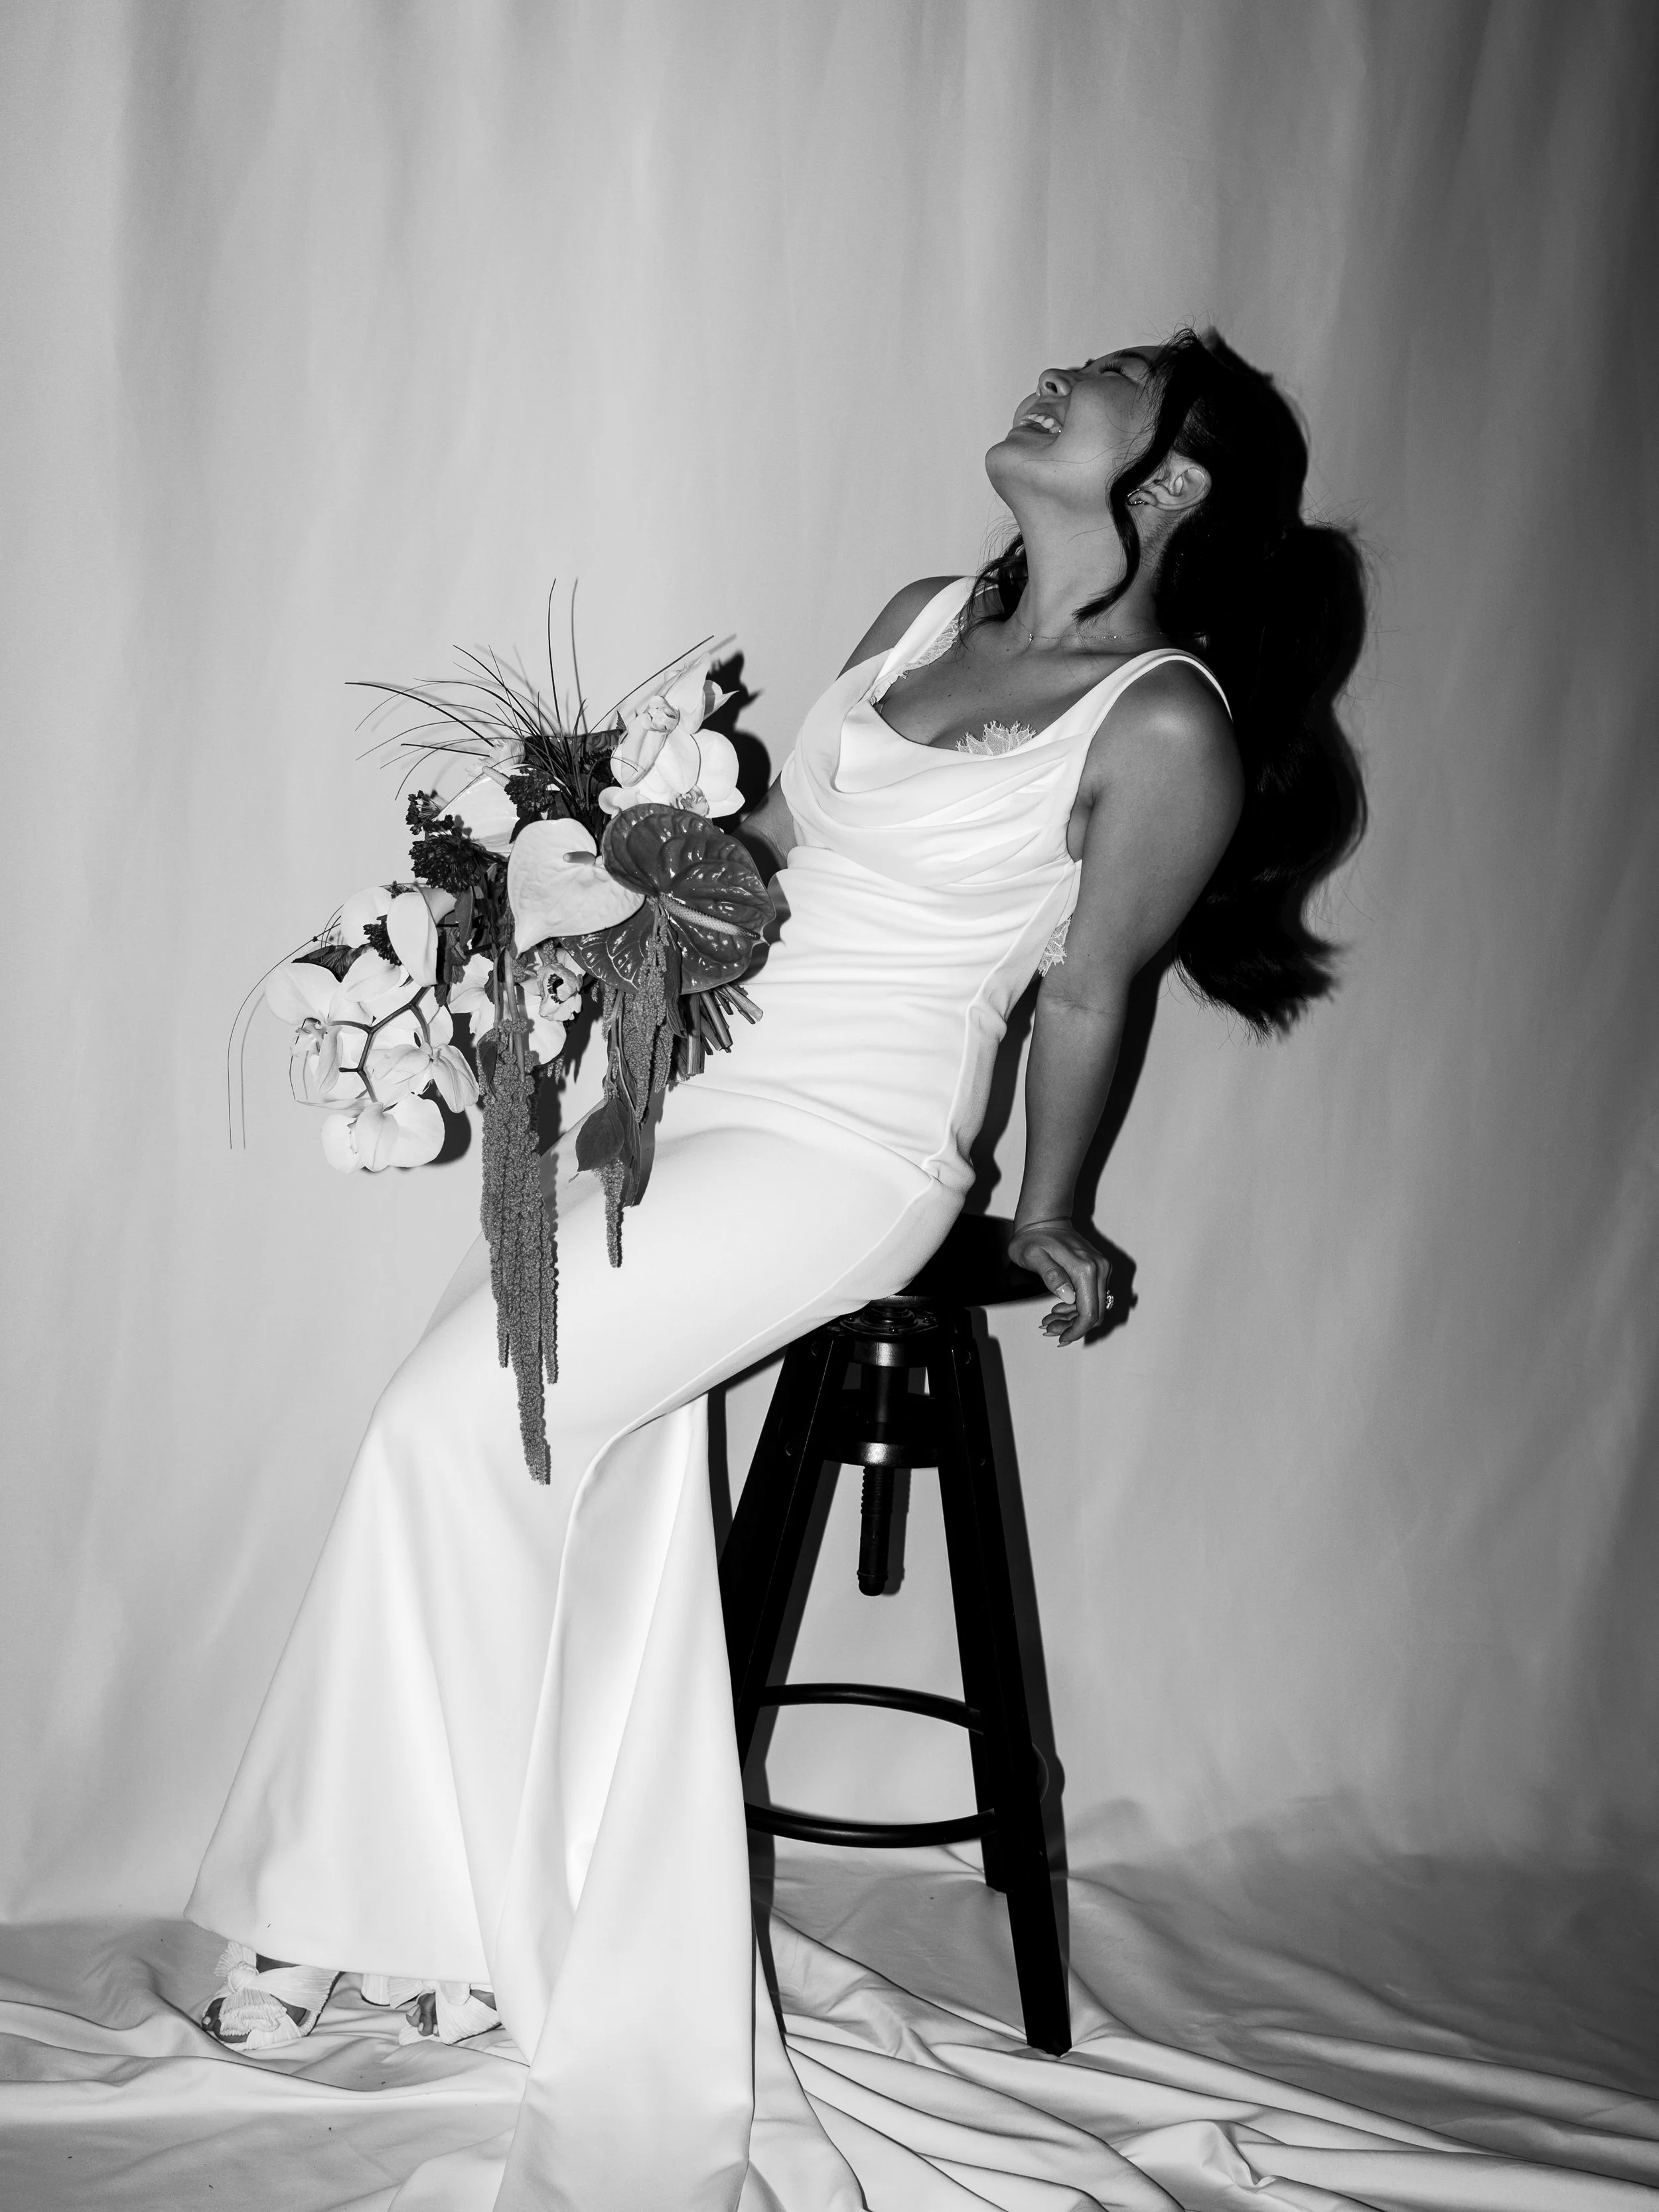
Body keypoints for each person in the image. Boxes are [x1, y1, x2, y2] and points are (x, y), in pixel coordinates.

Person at [188, 329, 1366, 2210]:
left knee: (459, 1416)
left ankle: (384, 1917)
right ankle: (451, 1918)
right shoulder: (918, 615)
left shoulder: (1162, 724)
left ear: (1175, 486)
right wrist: (573, 862)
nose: (1059, 370)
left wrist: (1049, 1203)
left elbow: (1086, 991)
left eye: (1120, 376)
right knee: (546, 1443)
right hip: (715, 1082)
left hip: (853, 1150)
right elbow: (779, 854)